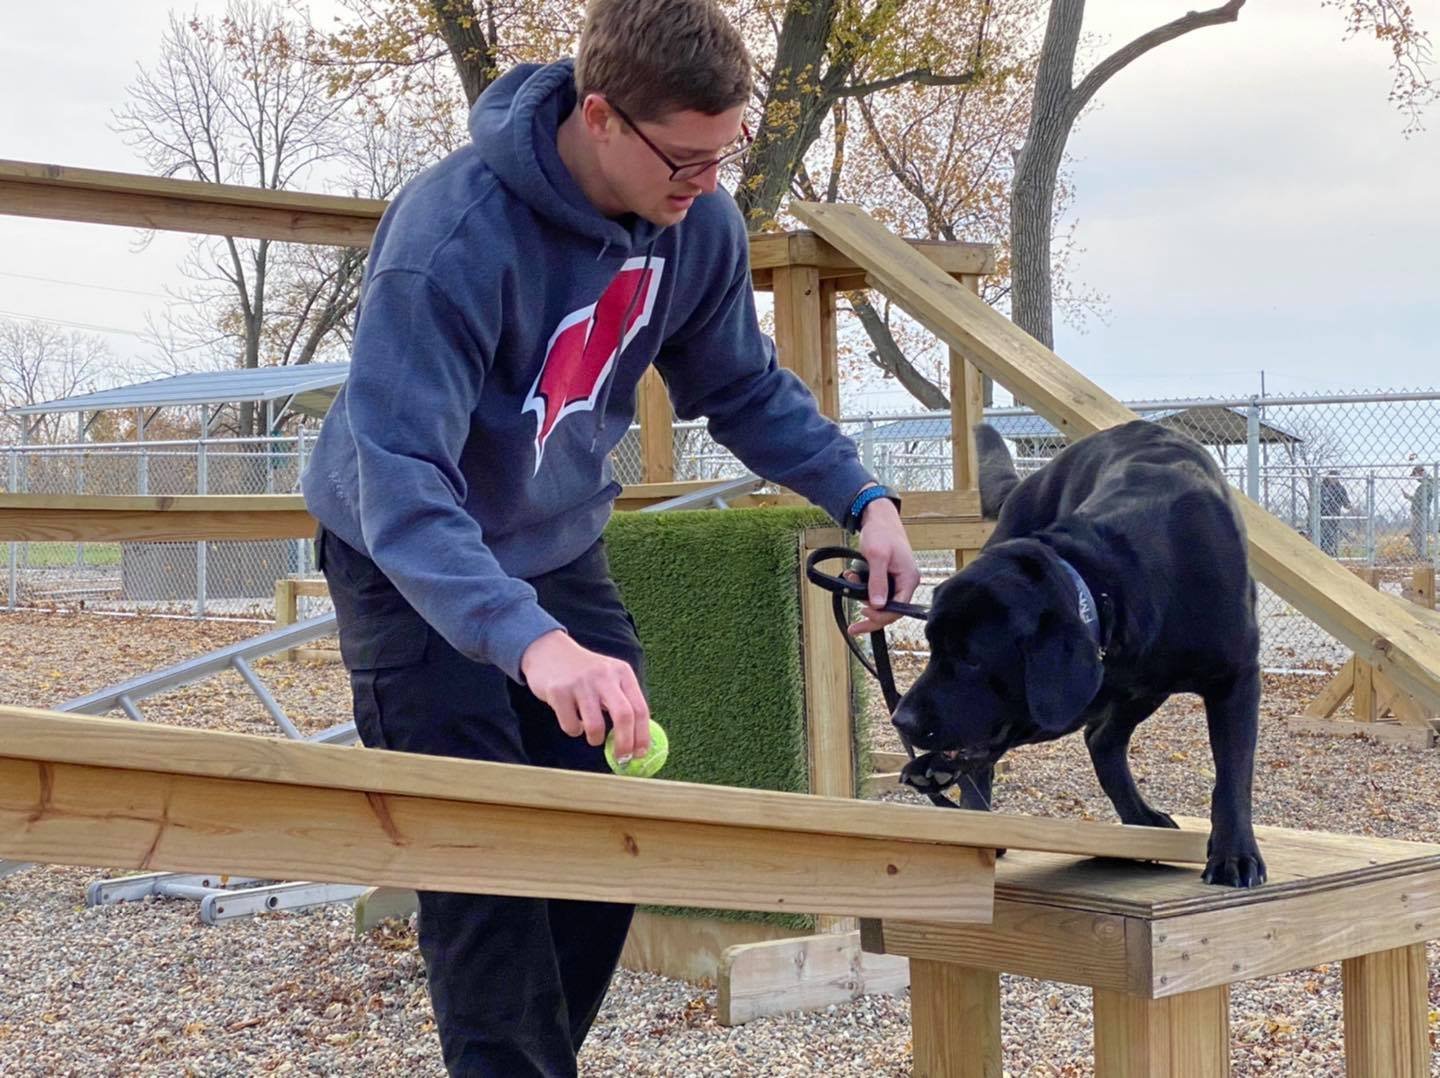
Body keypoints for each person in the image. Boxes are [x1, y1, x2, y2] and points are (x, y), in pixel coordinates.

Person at [300, 0, 920, 1073]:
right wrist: (529, 641)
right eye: (686, 160)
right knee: (483, 866)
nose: (706, 186)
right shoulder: (449, 238)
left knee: (609, 838)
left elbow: (742, 387)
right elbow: (402, 481)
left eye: (722, 158)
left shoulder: (696, 228)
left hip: (552, 546)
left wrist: (863, 497)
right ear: (599, 116)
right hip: (405, 559)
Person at [1318, 470, 1350, 557]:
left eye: (1336, 478)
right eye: (1332, 478)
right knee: (1324, 534)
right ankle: (1324, 552)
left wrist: (1348, 504)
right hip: (1322, 516)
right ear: (1328, 477)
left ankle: (1332, 553)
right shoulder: (1321, 487)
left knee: (1333, 535)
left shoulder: (1340, 489)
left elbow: (1346, 503)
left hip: (1335, 516)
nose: (1334, 480)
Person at [1409, 464, 1436, 559]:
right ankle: (1420, 554)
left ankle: (1420, 554)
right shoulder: (1425, 484)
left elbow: (1421, 500)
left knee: (1416, 534)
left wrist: (1409, 497)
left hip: (1421, 513)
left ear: (1421, 473)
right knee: (1417, 534)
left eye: (1416, 475)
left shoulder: (1428, 484)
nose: (1416, 478)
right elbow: (1418, 499)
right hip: (1418, 512)